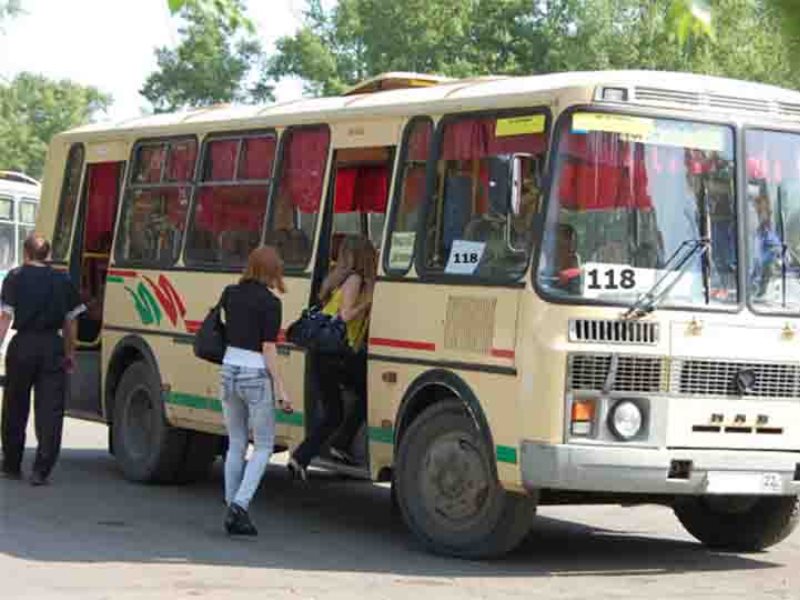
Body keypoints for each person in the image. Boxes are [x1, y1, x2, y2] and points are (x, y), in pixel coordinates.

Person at [217, 245, 292, 536]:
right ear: (273, 271)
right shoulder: (271, 303)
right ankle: (240, 505)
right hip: (254, 374)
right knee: (263, 446)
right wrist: (281, 388)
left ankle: (231, 506)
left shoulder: (230, 294)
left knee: (236, 442)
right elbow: (268, 348)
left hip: (228, 370)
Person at [0, 233, 85, 486]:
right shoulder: (62, 279)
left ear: (26, 254)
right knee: (50, 409)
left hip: (23, 344)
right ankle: (41, 469)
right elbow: (71, 321)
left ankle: (12, 464)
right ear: (48, 255)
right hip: (52, 346)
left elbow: (5, 318)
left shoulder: (15, 277)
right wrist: (70, 353)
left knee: (15, 404)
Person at [288, 235, 376, 479]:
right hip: (335, 354)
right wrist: (368, 304)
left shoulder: (337, 279)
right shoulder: (355, 280)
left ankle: (304, 457)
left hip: (325, 353)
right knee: (364, 396)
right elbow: (346, 315)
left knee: (335, 410)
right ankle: (334, 445)